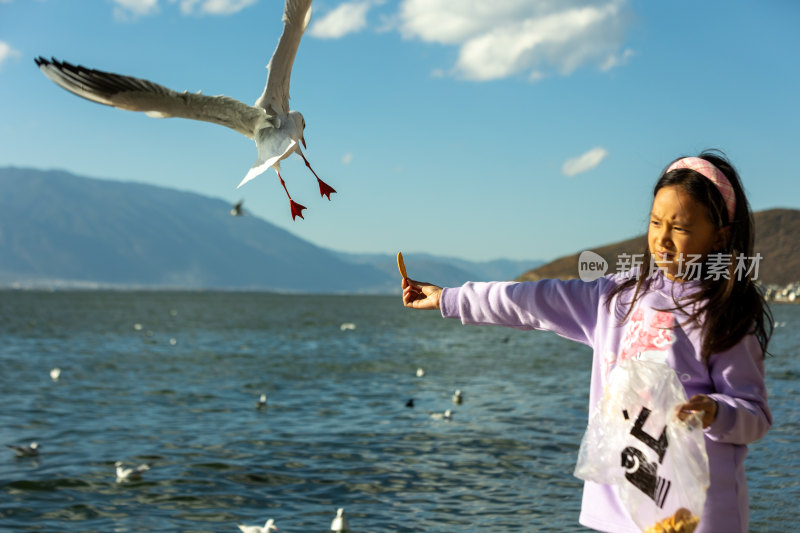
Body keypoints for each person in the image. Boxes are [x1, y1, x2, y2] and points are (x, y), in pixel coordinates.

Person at [401, 150, 772, 533]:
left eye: (680, 228)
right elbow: (531, 301)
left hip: (698, 516)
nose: (662, 239)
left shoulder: (723, 315)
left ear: (720, 237)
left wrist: (714, 411)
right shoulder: (615, 297)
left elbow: (754, 416)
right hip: (622, 511)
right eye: (656, 222)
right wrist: (449, 298)